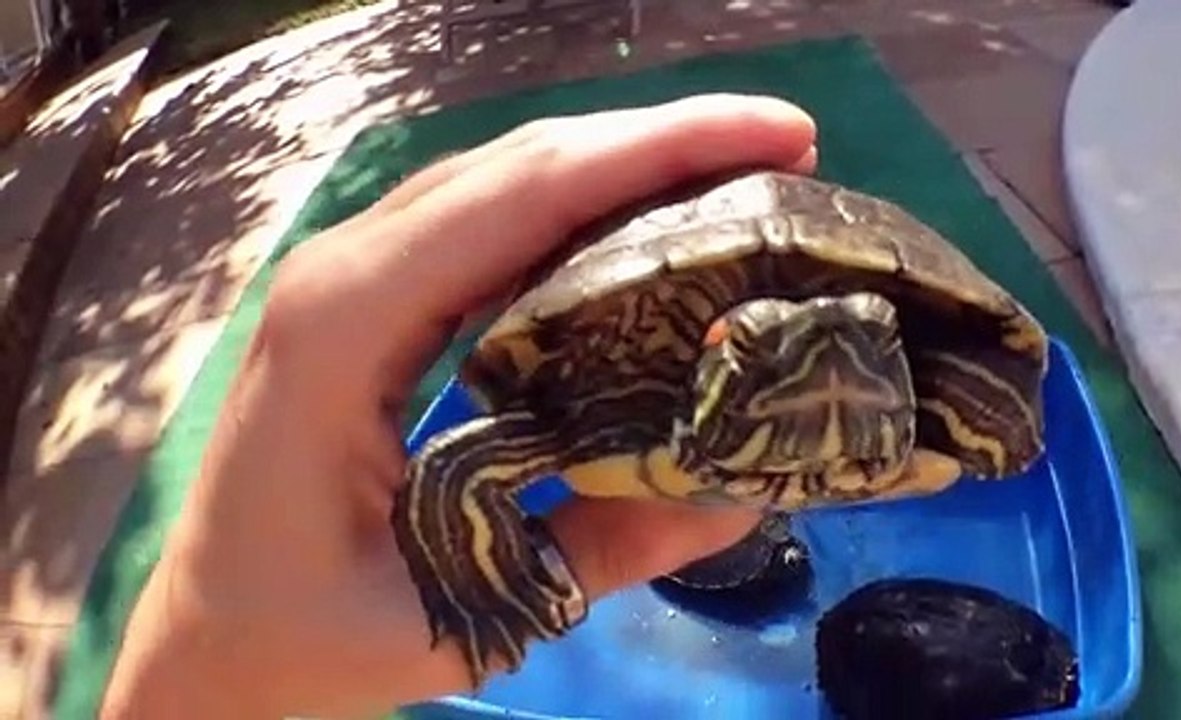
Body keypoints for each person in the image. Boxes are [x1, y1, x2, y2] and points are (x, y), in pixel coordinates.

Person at [99, 93, 819, 719]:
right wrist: (210, 646)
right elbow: (458, 464)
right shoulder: (599, 391)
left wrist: (200, 653)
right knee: (455, 464)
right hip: (634, 402)